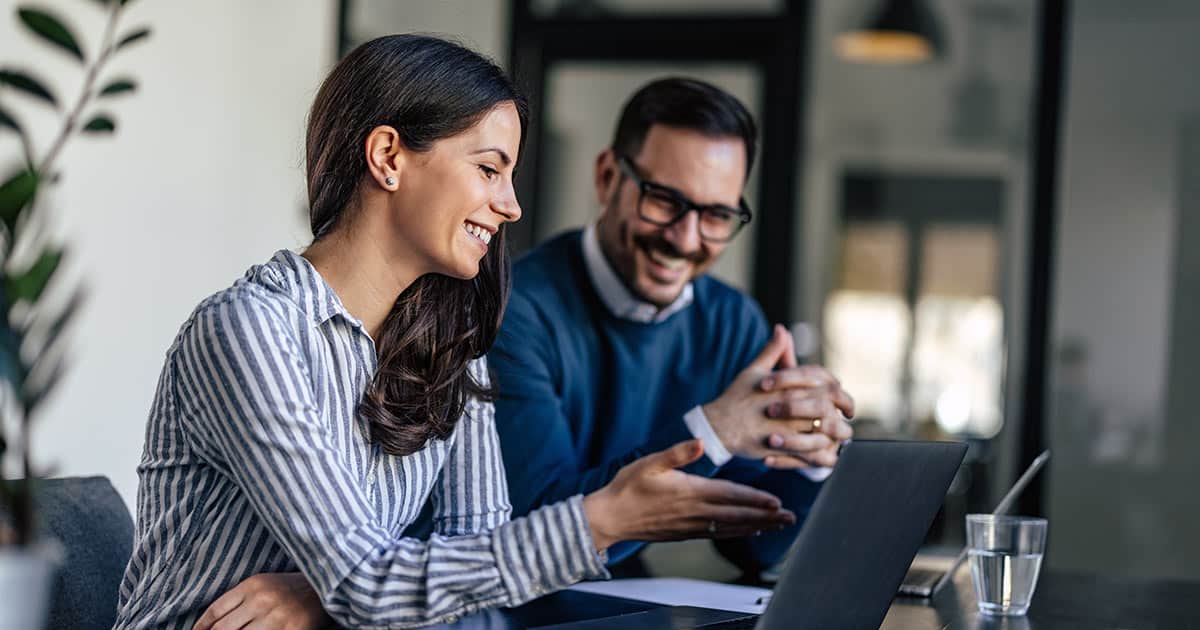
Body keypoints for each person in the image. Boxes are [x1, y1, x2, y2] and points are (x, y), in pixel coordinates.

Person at [113, 36, 796, 629]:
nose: (511, 204)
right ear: (388, 156)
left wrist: (332, 592)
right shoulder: (250, 331)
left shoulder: (449, 346)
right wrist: (603, 520)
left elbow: (480, 561)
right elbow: (366, 584)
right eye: (489, 169)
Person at [488, 77, 856, 575]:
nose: (686, 239)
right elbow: (535, 526)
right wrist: (713, 433)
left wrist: (814, 454)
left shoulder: (732, 321)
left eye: (717, 215)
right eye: (664, 201)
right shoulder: (512, 308)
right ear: (607, 177)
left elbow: (752, 547)